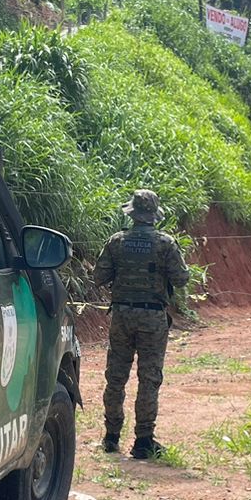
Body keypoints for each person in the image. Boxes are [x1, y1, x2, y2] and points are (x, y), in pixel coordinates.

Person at [93, 189, 190, 459]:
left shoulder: (116, 241)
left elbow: (99, 276)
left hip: (122, 315)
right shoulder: (165, 243)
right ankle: (143, 442)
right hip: (153, 318)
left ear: (132, 213)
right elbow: (182, 278)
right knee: (149, 379)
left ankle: (111, 438)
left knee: (116, 377)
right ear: (154, 215)